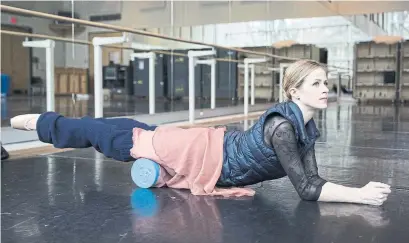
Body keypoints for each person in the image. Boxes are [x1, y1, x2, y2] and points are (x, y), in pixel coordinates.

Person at [10, 60, 391, 205]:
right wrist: (358, 194)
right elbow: (308, 190)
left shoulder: (304, 126)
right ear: (294, 92)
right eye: (316, 83)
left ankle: (46, 122)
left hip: (207, 145)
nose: (325, 89)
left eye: (326, 82)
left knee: (130, 131)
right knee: (110, 134)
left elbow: (313, 181)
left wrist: (353, 192)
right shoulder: (282, 127)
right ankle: (42, 123)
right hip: (204, 149)